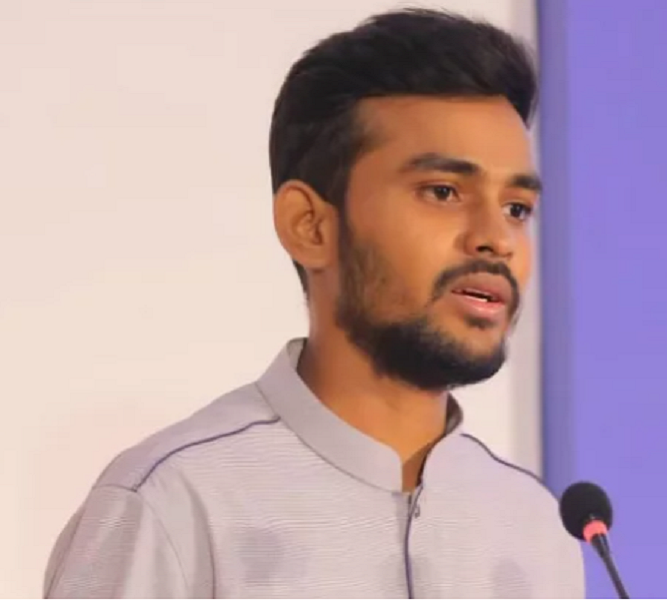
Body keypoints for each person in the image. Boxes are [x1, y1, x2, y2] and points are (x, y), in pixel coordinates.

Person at [44, 8, 584, 598]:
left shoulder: (534, 526)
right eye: (443, 192)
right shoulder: (174, 502)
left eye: (516, 209)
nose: (497, 239)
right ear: (310, 226)